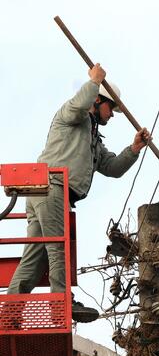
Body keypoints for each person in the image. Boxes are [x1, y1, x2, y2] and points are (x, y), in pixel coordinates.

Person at [6, 63, 151, 323]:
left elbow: (113, 168)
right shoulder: (72, 116)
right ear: (97, 101)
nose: (113, 115)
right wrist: (94, 81)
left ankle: (10, 316)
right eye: (111, 108)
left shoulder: (93, 140)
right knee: (57, 249)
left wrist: (134, 148)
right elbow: (78, 106)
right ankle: (61, 304)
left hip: (50, 195)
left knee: (34, 262)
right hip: (50, 187)